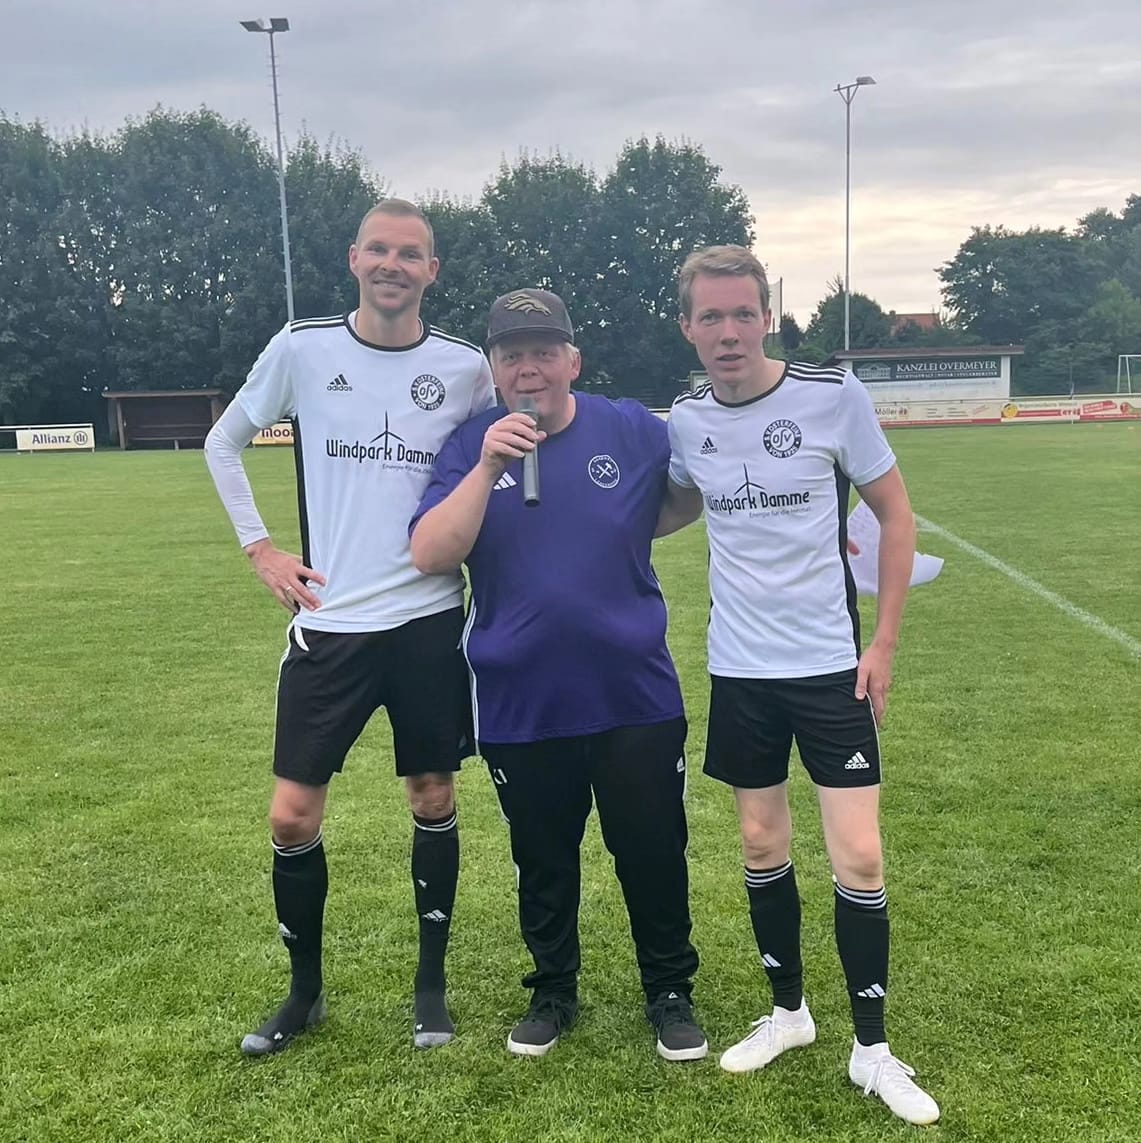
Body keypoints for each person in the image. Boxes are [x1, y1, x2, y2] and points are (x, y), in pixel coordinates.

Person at [204, 198, 495, 1055]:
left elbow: (492, 474)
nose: (392, 265)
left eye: (410, 254)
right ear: (354, 259)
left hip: (428, 621)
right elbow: (223, 442)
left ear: (430, 271)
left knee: (432, 795)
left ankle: (430, 987)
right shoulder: (303, 348)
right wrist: (260, 548)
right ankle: (304, 994)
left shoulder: (465, 367)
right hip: (329, 624)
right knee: (291, 816)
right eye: (379, 250)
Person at [660, 245, 939, 1124]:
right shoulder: (685, 419)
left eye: (743, 313)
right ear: (687, 327)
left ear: (767, 318)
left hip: (828, 669)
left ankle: (872, 1048)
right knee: (758, 841)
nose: (728, 331)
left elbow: (895, 513)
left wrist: (882, 641)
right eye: (711, 316)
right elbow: (676, 502)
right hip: (740, 669)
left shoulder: (830, 395)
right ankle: (789, 1014)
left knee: (858, 854)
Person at [409, 288, 706, 1062]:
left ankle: (668, 990)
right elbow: (431, 552)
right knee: (542, 858)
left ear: (572, 360)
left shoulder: (628, 427)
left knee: (651, 849)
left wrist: (632, 525)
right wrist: (487, 467)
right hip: (520, 699)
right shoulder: (468, 445)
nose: (528, 368)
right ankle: (552, 990)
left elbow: (689, 492)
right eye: (511, 355)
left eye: (543, 352)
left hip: (633, 693)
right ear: (494, 369)